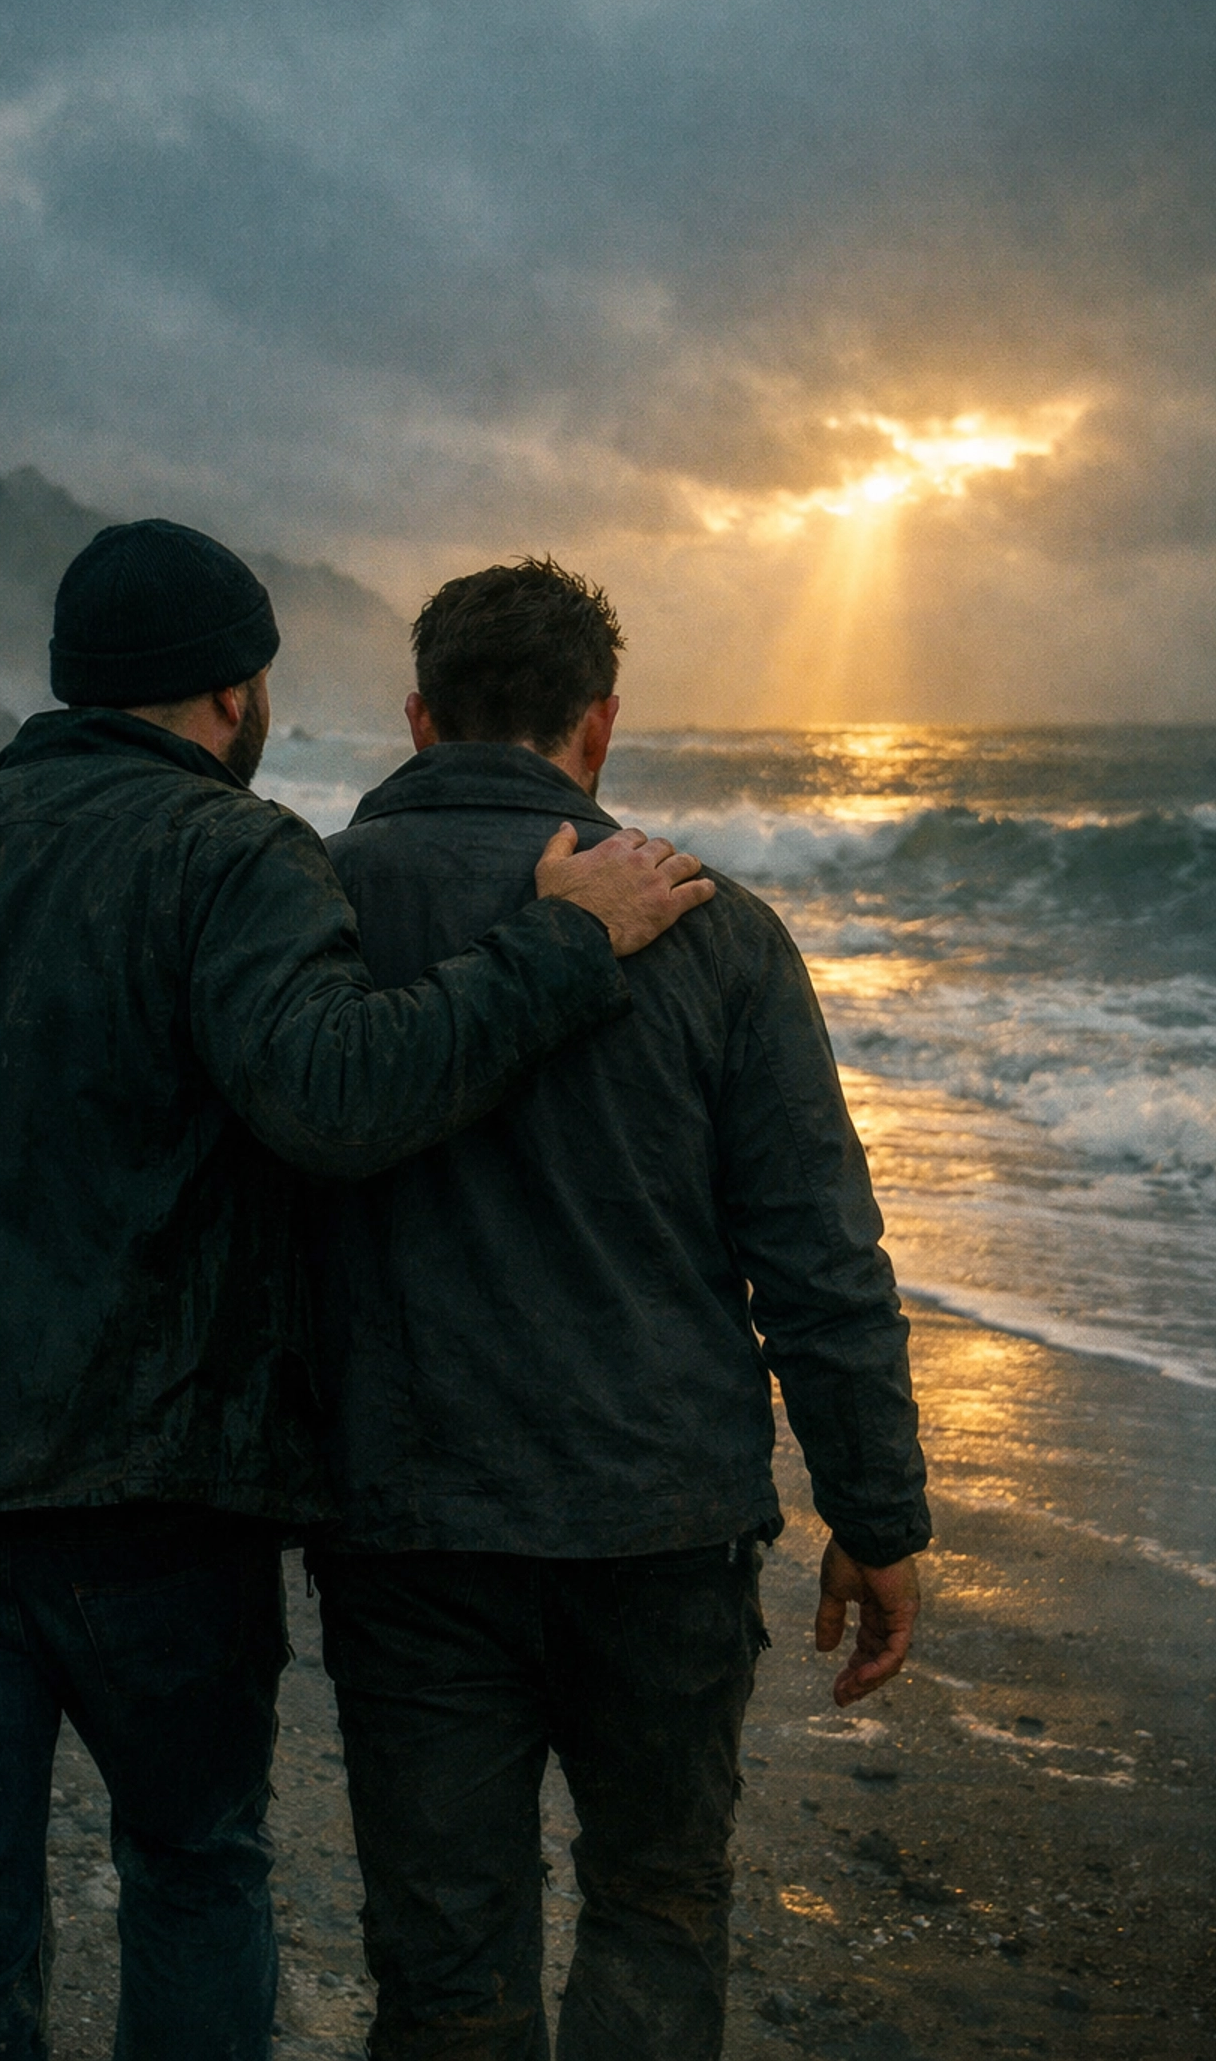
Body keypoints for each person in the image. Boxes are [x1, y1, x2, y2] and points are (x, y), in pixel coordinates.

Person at [0, 521, 714, 2061]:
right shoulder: (228, 854)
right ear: (236, 698)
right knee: (189, 1873)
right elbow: (332, 1095)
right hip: (151, 1511)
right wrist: (561, 945)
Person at [312, 557, 931, 2061]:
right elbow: (819, 1257)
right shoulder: (718, 929)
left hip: (408, 1519)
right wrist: (880, 1514)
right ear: (598, 728)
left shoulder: (310, 902)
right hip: (660, 1519)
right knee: (655, 1903)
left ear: (416, 719)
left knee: (445, 1953)